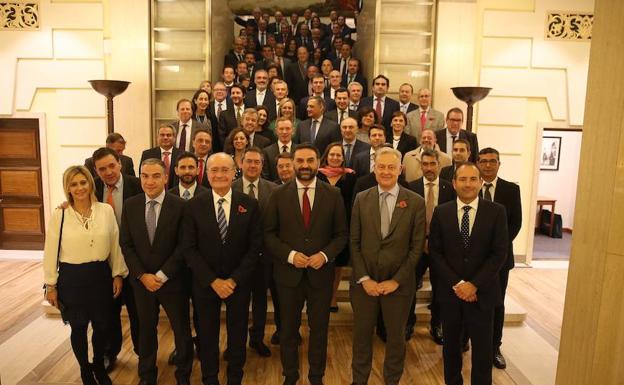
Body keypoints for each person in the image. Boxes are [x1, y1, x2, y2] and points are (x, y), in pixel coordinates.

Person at [264, 144, 348, 385]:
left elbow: (341, 235)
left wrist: (324, 255)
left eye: (310, 160)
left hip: (321, 276)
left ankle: (316, 377)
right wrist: (290, 255)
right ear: (292, 163)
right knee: (288, 331)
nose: (304, 165)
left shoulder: (333, 194)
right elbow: (268, 234)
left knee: (319, 331)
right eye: (299, 161)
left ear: (318, 162)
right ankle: (290, 376)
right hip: (288, 275)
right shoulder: (278, 194)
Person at [43, 165, 127, 385]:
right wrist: (50, 285)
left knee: (102, 325)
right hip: (72, 279)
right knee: (78, 328)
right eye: (73, 184)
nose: (79, 188)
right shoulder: (60, 214)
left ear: (90, 183)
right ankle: (84, 369)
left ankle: (98, 364)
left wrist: (118, 273)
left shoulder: (106, 211)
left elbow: (115, 244)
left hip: (100, 276)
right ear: (67, 189)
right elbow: (50, 251)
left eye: (83, 182)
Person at [184, 153, 262, 385]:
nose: (219, 175)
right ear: (206, 174)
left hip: (238, 283)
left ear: (234, 172)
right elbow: (189, 249)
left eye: (224, 170)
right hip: (205, 283)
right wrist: (213, 281)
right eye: (214, 170)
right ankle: (210, 378)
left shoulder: (249, 204)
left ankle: (235, 377)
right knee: (207, 335)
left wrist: (234, 280)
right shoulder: (193, 206)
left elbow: (255, 247)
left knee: (237, 334)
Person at [350, 147, 425, 385]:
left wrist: (396, 280)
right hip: (365, 284)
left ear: (400, 169)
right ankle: (359, 380)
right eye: (381, 166)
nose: (385, 171)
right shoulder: (362, 199)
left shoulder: (415, 202)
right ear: (374, 169)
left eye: (391, 167)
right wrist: (364, 279)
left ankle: (392, 380)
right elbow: (354, 242)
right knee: (362, 337)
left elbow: (416, 248)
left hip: (399, 285)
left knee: (396, 338)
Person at [429, 162, 509, 385]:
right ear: (453, 183)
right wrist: (458, 284)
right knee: (451, 349)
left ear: (481, 182)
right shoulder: (441, 212)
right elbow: (435, 253)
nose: (468, 184)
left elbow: (499, 254)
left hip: (482, 295)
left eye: (473, 179)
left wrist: (473, 285)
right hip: (451, 294)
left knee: (483, 351)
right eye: (462, 179)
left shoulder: (496, 212)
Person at [120, 158, 193, 385]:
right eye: (144, 176)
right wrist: (143, 275)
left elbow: (184, 246)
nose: (149, 181)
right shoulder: (131, 205)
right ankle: (147, 376)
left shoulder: (180, 206)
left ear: (165, 177)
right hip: (142, 283)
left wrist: (161, 275)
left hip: (172, 282)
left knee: (181, 331)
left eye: (155, 176)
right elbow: (127, 245)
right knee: (146, 331)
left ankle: (183, 376)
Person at [91, 147, 143, 371]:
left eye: (112, 165)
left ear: (119, 163)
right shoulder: (91, 187)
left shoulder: (138, 184)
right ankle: (108, 354)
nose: (108, 172)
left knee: (138, 313)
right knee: (106, 314)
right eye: (102, 169)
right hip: (104, 262)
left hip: (135, 261)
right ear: (96, 171)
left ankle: (144, 355)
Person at [477, 147, 522, 370]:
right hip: (471, 259)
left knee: (496, 303)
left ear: (499, 164)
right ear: (477, 163)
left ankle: (494, 347)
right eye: (483, 161)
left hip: (500, 260)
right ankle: (468, 340)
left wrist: (496, 249)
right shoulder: (469, 186)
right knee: (470, 300)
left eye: (492, 161)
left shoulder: (511, 190)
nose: (487, 165)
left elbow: (516, 224)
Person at [406, 149, 455, 345]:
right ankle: (408, 323)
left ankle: (437, 324)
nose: (428, 168)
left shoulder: (449, 189)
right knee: (410, 287)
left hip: (441, 249)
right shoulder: (411, 188)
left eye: (432, 164)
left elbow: (452, 220)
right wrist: (421, 240)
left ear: (438, 165)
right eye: (424, 164)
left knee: (441, 288)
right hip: (417, 247)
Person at [232, 148, 278, 357]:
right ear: (241, 164)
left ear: (262, 165)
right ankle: (235, 344)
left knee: (260, 301)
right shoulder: (229, 188)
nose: (252, 165)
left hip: (264, 257)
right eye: (248, 161)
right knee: (237, 305)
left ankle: (257, 338)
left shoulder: (274, 189)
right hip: (236, 259)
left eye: (256, 162)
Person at [316, 142, 356, 313]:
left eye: (338, 155)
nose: (335, 158)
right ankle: (319, 297)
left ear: (343, 158)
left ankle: (332, 297)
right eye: (332, 154)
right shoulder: (317, 175)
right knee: (321, 263)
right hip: (320, 225)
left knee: (338, 264)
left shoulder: (351, 176)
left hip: (342, 226)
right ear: (326, 156)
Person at [263, 117, 295, 182]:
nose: (284, 132)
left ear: (293, 130)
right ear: (276, 131)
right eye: (281, 129)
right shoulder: (267, 152)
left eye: (287, 129)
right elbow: (265, 177)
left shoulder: (299, 151)